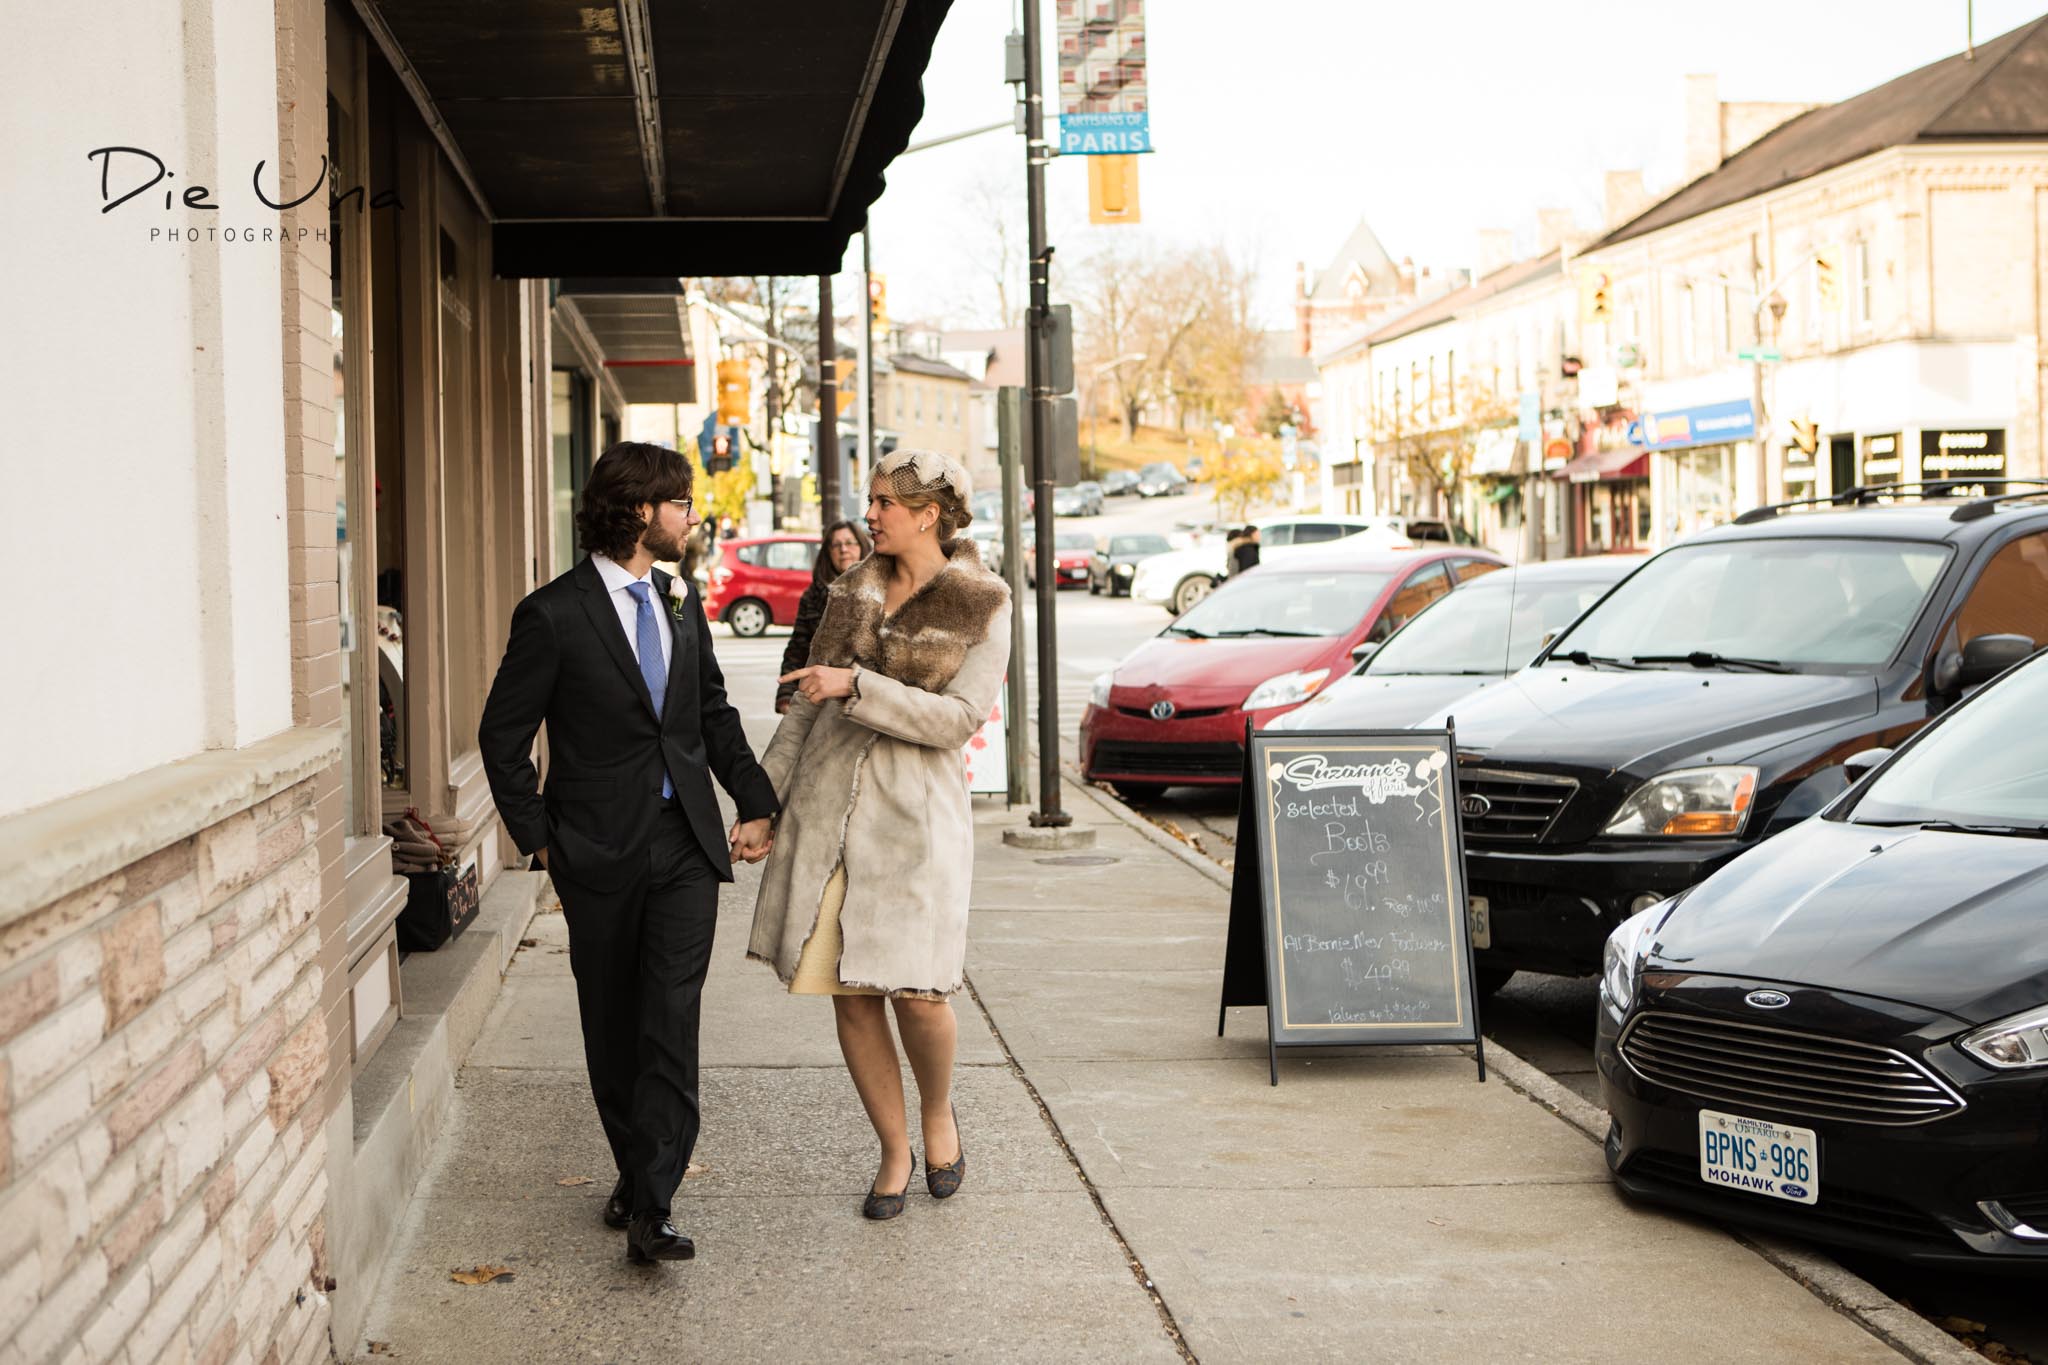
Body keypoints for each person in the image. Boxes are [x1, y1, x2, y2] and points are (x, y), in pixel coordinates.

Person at [477, 441, 778, 1266]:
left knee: (670, 1024)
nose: (692, 516)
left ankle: (654, 1203)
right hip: (597, 850)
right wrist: (540, 841)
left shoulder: (683, 600)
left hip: (685, 844)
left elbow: (709, 713)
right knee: (613, 1027)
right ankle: (636, 1168)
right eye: (681, 502)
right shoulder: (554, 613)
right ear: (642, 510)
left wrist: (755, 796)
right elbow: (502, 737)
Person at [748, 447, 1011, 1221]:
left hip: (914, 821)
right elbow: (803, 708)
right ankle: (893, 1148)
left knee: (918, 994)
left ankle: (939, 1112)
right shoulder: (850, 591)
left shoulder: (981, 602)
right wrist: (762, 803)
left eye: (884, 503)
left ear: (928, 513)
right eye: (870, 502)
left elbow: (958, 720)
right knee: (852, 995)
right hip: (829, 815)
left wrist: (860, 685)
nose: (870, 514)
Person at [776, 520, 871, 715]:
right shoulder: (813, 596)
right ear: (828, 553)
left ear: (862, 546)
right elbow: (798, 647)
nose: (844, 549)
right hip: (821, 700)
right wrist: (785, 694)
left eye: (850, 542)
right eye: (836, 545)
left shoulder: (882, 590)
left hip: (865, 698)